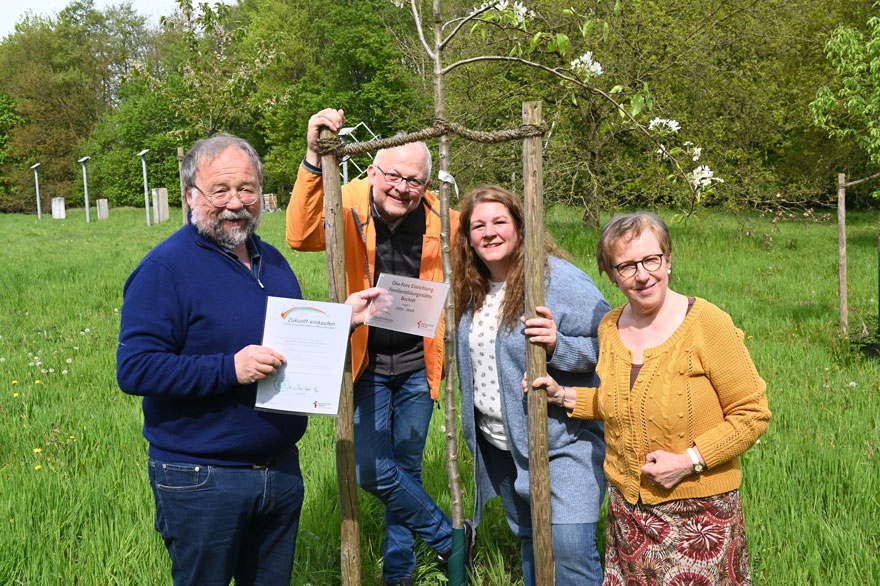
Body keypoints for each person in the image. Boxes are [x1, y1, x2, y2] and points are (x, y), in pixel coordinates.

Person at [117, 133, 385, 586]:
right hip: (202, 477)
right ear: (190, 196)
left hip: (279, 470)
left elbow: (290, 339)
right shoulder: (165, 269)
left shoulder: (272, 261)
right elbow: (136, 367)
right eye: (219, 190)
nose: (235, 202)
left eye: (247, 189)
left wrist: (343, 321)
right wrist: (229, 368)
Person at [529, 212, 771, 586]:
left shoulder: (708, 323)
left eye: (650, 260)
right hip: (628, 516)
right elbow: (619, 404)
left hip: (698, 517)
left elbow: (752, 414)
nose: (642, 275)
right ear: (611, 275)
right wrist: (563, 395)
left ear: (668, 260)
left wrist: (689, 461)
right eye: (626, 266)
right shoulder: (610, 327)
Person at [286, 109, 470, 586]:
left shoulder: (442, 221)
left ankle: (400, 574)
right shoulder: (344, 201)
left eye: (414, 181)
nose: (402, 188)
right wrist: (312, 156)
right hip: (363, 360)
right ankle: (450, 539)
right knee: (373, 471)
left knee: (405, 469)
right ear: (372, 171)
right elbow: (300, 234)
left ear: (427, 184)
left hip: (416, 366)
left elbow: (482, 264)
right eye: (393, 176)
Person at [452, 185, 609, 585]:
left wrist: (559, 347)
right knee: (530, 542)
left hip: (563, 442)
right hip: (501, 446)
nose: (489, 232)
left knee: (570, 551)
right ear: (467, 237)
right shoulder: (471, 287)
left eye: (499, 222)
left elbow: (611, 344)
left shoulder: (555, 280)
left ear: (520, 228)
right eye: (478, 225)